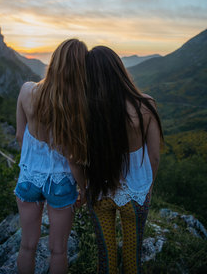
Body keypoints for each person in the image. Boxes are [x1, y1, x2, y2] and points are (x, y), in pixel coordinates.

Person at [85, 46, 163, 274]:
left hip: (100, 191)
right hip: (136, 194)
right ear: (119, 68)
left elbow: (80, 155)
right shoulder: (146, 104)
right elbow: (154, 156)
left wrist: (83, 187)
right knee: (132, 260)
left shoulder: (88, 109)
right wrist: (148, 188)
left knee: (106, 260)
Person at [14, 39, 88, 274]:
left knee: (27, 246)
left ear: (54, 61)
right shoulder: (76, 106)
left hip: (28, 178)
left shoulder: (27, 90)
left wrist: (34, 161)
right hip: (61, 181)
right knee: (58, 250)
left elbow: (19, 136)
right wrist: (84, 188)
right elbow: (74, 158)